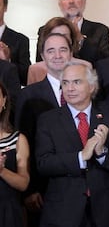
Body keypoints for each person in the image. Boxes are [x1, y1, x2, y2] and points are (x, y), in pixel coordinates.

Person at [35, 62, 109, 227]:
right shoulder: (47, 120)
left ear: (92, 86)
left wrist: (102, 153)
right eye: (65, 83)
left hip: (107, 212)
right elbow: (43, 163)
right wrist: (80, 157)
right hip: (63, 213)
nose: (69, 88)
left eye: (76, 82)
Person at [14, 33, 75, 227]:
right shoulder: (28, 95)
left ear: (71, 53)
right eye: (51, 50)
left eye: (63, 49)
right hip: (43, 191)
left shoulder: (87, 92)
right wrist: (29, 190)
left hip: (79, 189)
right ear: (42, 55)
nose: (57, 55)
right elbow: (23, 143)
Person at [36, 0, 109, 66]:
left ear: (84, 2)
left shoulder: (100, 30)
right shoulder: (46, 30)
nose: (71, 1)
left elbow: (106, 65)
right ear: (60, 4)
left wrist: (81, 40)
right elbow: (40, 64)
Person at [28, 17, 92, 85]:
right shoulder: (35, 70)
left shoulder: (85, 66)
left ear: (71, 39)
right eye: (55, 35)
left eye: (64, 36)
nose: (59, 39)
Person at [0, 82, 30, 227]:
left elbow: (23, 184)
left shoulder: (18, 140)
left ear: (4, 100)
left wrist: (1, 171)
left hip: (8, 213)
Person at [0, 0, 31, 86]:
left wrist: (8, 60)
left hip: (9, 99)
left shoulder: (20, 40)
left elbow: (26, 78)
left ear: (5, 7)